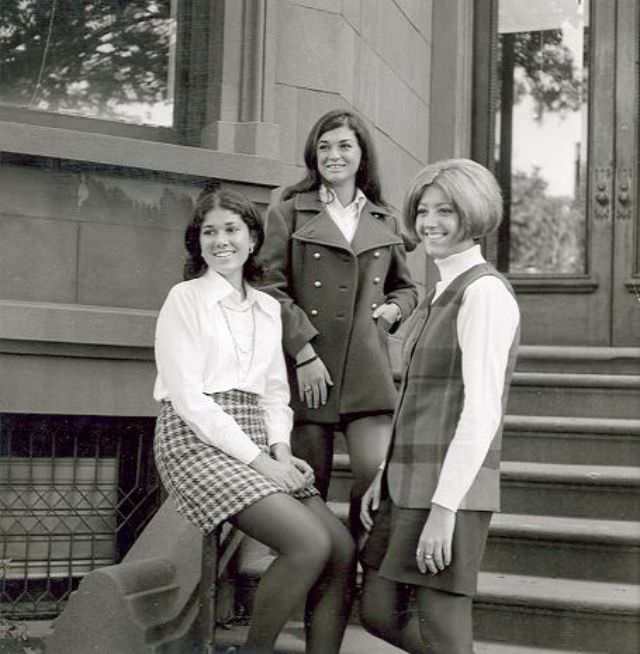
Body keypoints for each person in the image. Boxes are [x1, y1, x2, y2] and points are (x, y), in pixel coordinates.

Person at [153, 187, 356, 654]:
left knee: (341, 549)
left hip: (259, 439)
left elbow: (274, 393)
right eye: (209, 232)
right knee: (307, 543)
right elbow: (188, 399)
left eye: (231, 230)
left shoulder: (267, 308)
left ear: (251, 239)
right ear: (197, 242)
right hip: (194, 438)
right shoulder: (184, 299)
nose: (220, 241)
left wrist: (281, 451)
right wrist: (263, 463)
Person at [359, 158, 521, 654]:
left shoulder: (485, 293)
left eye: (446, 211)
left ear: (471, 215)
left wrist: (445, 509)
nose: (430, 222)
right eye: (424, 210)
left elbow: (481, 413)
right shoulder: (441, 290)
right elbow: (419, 399)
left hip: (451, 489)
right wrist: (384, 471)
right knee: (378, 612)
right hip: (407, 480)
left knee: (443, 627)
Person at [260, 109, 418, 542]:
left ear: (362, 153)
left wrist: (394, 310)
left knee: (376, 485)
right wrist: (304, 353)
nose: (334, 155)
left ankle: (370, 597)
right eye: (325, 146)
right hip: (311, 376)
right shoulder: (289, 211)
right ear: (314, 153)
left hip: (368, 375)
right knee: (308, 496)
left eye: (345, 145)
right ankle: (321, 602)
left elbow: (406, 287)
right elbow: (270, 289)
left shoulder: (384, 218)